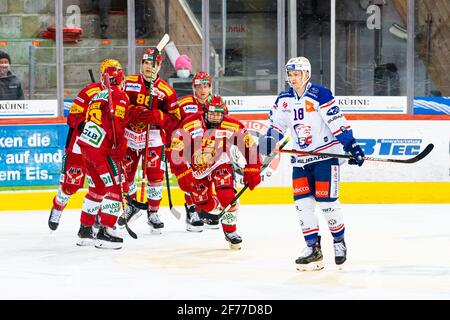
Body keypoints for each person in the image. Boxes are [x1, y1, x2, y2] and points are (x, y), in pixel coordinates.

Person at [258, 57, 365, 270]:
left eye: (296, 74)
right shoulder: (283, 99)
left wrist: (350, 145)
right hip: (300, 160)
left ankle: (338, 241)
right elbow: (277, 126)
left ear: (306, 75)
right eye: (290, 75)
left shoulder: (321, 95)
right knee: (302, 205)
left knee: (327, 204)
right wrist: (270, 140)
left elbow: (337, 122)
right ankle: (313, 248)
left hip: (326, 157)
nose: (292, 78)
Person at [169, 95, 262, 249]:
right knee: (204, 205)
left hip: (221, 163)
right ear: (205, 111)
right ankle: (217, 203)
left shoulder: (233, 125)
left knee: (228, 197)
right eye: (211, 113)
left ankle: (231, 231)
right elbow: (175, 150)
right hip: (197, 170)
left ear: (223, 113)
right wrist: (182, 173)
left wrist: (253, 167)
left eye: (218, 114)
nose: (214, 117)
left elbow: (249, 147)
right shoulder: (189, 123)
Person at [48, 59, 122, 231]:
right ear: (102, 74)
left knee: (100, 185)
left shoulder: (120, 93)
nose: (112, 78)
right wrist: (87, 126)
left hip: (102, 149)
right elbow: (72, 116)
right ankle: (58, 206)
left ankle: (92, 218)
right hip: (80, 146)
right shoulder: (90, 91)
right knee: (70, 185)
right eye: (108, 73)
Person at [118, 47, 179, 234]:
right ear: (141, 64)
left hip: (152, 138)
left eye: (153, 64)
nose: (148, 67)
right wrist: (131, 111)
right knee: (125, 175)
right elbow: (116, 103)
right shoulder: (128, 83)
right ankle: (132, 205)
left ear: (159, 66)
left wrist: (157, 116)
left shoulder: (166, 91)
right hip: (129, 135)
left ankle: (153, 213)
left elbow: (175, 118)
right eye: (145, 63)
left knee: (154, 176)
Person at [75, 64, 133, 249]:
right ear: (122, 81)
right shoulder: (119, 95)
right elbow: (115, 124)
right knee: (117, 185)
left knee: (98, 187)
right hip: (101, 150)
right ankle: (105, 231)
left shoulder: (96, 96)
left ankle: (85, 229)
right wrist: (120, 146)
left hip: (86, 147)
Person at [174, 71, 219, 231]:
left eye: (205, 86)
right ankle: (191, 211)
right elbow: (175, 123)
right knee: (191, 181)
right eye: (199, 86)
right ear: (194, 87)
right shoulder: (185, 103)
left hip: (210, 149)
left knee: (209, 181)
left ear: (210, 87)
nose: (202, 90)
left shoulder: (216, 103)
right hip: (188, 149)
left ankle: (204, 210)